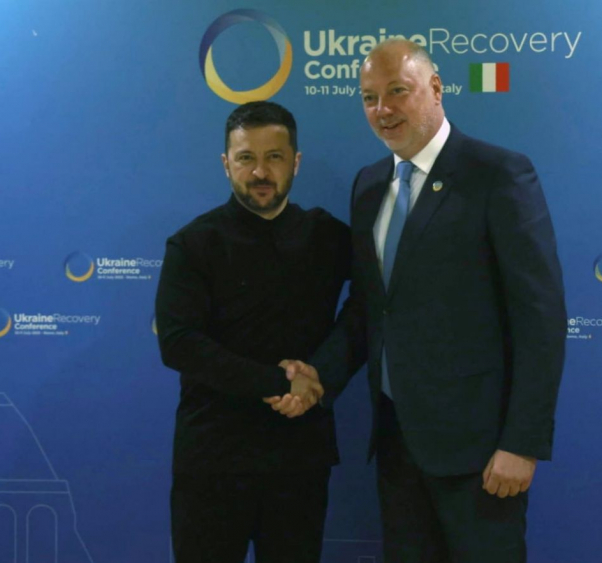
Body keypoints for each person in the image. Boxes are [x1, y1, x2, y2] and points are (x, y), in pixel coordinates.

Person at [268, 39, 567, 562]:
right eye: (369, 98)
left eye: (397, 92)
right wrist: (319, 374)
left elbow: (539, 318)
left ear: (435, 88)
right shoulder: (369, 185)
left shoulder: (497, 174)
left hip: (480, 453)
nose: (382, 109)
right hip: (397, 445)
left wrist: (521, 443)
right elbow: (370, 307)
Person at [155, 101, 350, 563]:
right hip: (213, 459)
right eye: (246, 158)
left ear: (295, 162)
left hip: (300, 459)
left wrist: (322, 375)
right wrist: (280, 382)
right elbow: (178, 343)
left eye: (274, 157)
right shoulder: (193, 243)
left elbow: (370, 310)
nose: (260, 172)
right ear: (226, 164)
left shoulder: (329, 236)